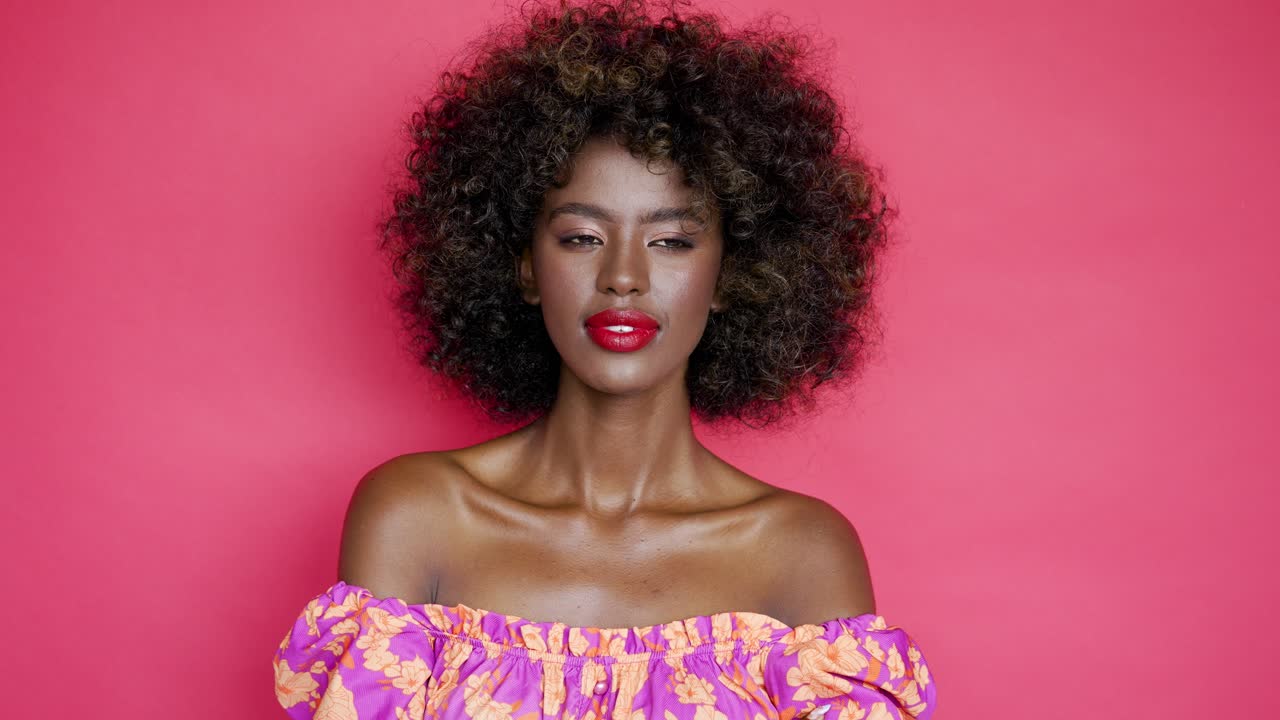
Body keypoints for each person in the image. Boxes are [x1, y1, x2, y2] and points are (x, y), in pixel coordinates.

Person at [272, 0, 936, 718]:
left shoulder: (802, 552)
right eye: (582, 237)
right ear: (525, 265)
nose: (625, 276)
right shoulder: (415, 517)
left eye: (672, 241)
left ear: (733, 275)